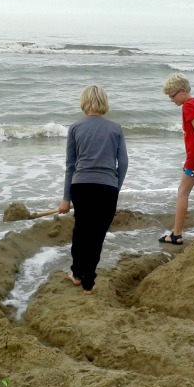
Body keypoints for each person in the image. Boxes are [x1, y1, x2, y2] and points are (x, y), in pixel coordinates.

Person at [58, 85, 128, 295]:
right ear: (104, 103)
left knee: (81, 231)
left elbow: (71, 165)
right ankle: (88, 280)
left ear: (84, 102)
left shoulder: (75, 128)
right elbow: (123, 163)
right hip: (107, 188)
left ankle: (77, 274)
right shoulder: (115, 128)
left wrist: (65, 198)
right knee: (97, 235)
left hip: (81, 186)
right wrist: (115, 187)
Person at [159, 73, 194, 244]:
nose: (171, 100)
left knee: (182, 192)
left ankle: (176, 234)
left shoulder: (188, 106)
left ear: (183, 91)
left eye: (172, 95)